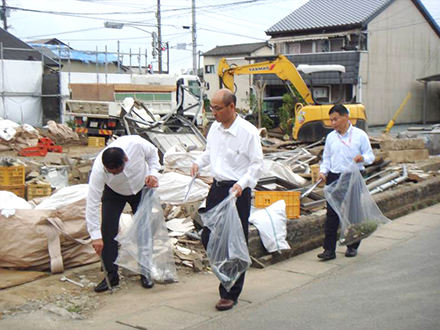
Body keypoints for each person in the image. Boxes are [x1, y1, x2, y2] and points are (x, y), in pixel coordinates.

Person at [191, 88, 264, 311]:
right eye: (211, 108)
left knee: (234, 241)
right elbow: (209, 153)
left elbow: (257, 165)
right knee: (208, 235)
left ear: (231, 107)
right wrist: (198, 163)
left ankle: (230, 292)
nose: (214, 113)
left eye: (217, 108)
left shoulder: (248, 132)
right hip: (217, 189)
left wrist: (242, 184)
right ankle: (226, 274)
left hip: (237, 193)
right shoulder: (214, 128)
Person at [86, 135, 160, 292]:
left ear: (126, 160)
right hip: (114, 192)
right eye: (110, 172)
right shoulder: (99, 170)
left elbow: (153, 154)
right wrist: (95, 236)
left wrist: (153, 173)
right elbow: (92, 203)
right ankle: (111, 276)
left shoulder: (137, 144)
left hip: (141, 188)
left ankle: (145, 272)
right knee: (108, 230)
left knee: (144, 229)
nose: (114, 174)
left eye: (117, 171)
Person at [317, 104, 375, 260]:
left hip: (353, 176)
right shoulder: (330, 137)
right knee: (332, 214)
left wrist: (363, 158)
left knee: (353, 212)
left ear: (346, 117)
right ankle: (329, 250)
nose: (333, 123)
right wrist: (323, 172)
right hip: (335, 177)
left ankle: (352, 245)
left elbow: (370, 157)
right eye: (331, 120)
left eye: (335, 119)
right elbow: (327, 158)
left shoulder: (360, 135)